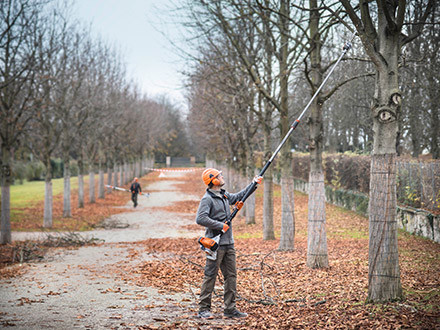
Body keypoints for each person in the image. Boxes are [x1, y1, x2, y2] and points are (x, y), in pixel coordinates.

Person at [196, 168, 262, 319]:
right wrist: (220, 225)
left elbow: (239, 196)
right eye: (220, 175)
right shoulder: (207, 199)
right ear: (214, 180)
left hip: (229, 244)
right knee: (210, 275)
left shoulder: (224, 194)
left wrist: (253, 184)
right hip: (215, 244)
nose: (222, 176)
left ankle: (230, 309)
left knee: (231, 276)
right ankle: (203, 309)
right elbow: (200, 218)